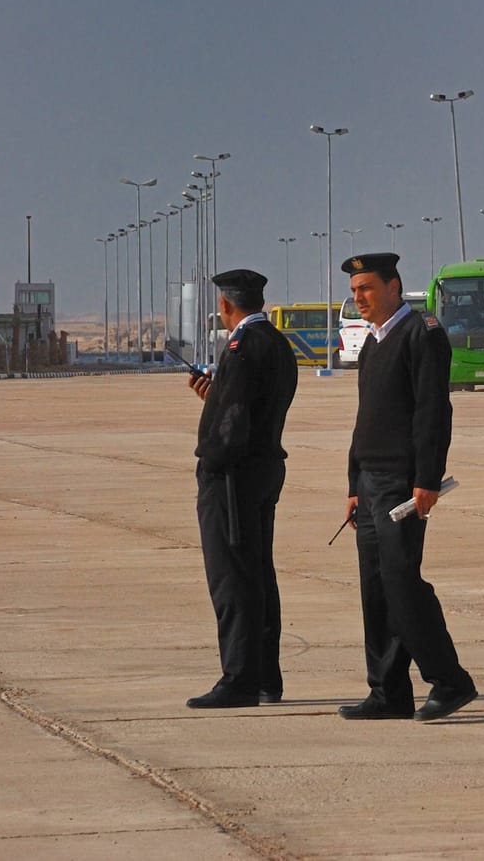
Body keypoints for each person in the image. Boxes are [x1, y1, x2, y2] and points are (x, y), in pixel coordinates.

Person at [335, 252, 477, 722]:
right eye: (355, 291)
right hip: (371, 481)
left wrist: (426, 478)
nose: (360, 298)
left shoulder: (422, 334)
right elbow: (365, 421)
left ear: (394, 286)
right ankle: (388, 691)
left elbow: (433, 411)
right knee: (374, 589)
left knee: (401, 583)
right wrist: (354, 482)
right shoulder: (373, 343)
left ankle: (450, 680)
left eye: (368, 288)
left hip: (402, 481)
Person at [185, 269, 298, 709]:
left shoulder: (241, 345)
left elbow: (232, 426)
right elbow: (250, 404)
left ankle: (240, 679)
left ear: (226, 306)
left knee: (232, 577)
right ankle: (266, 676)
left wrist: (210, 461)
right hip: (265, 467)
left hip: (234, 477)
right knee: (257, 575)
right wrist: (213, 396)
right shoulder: (276, 343)